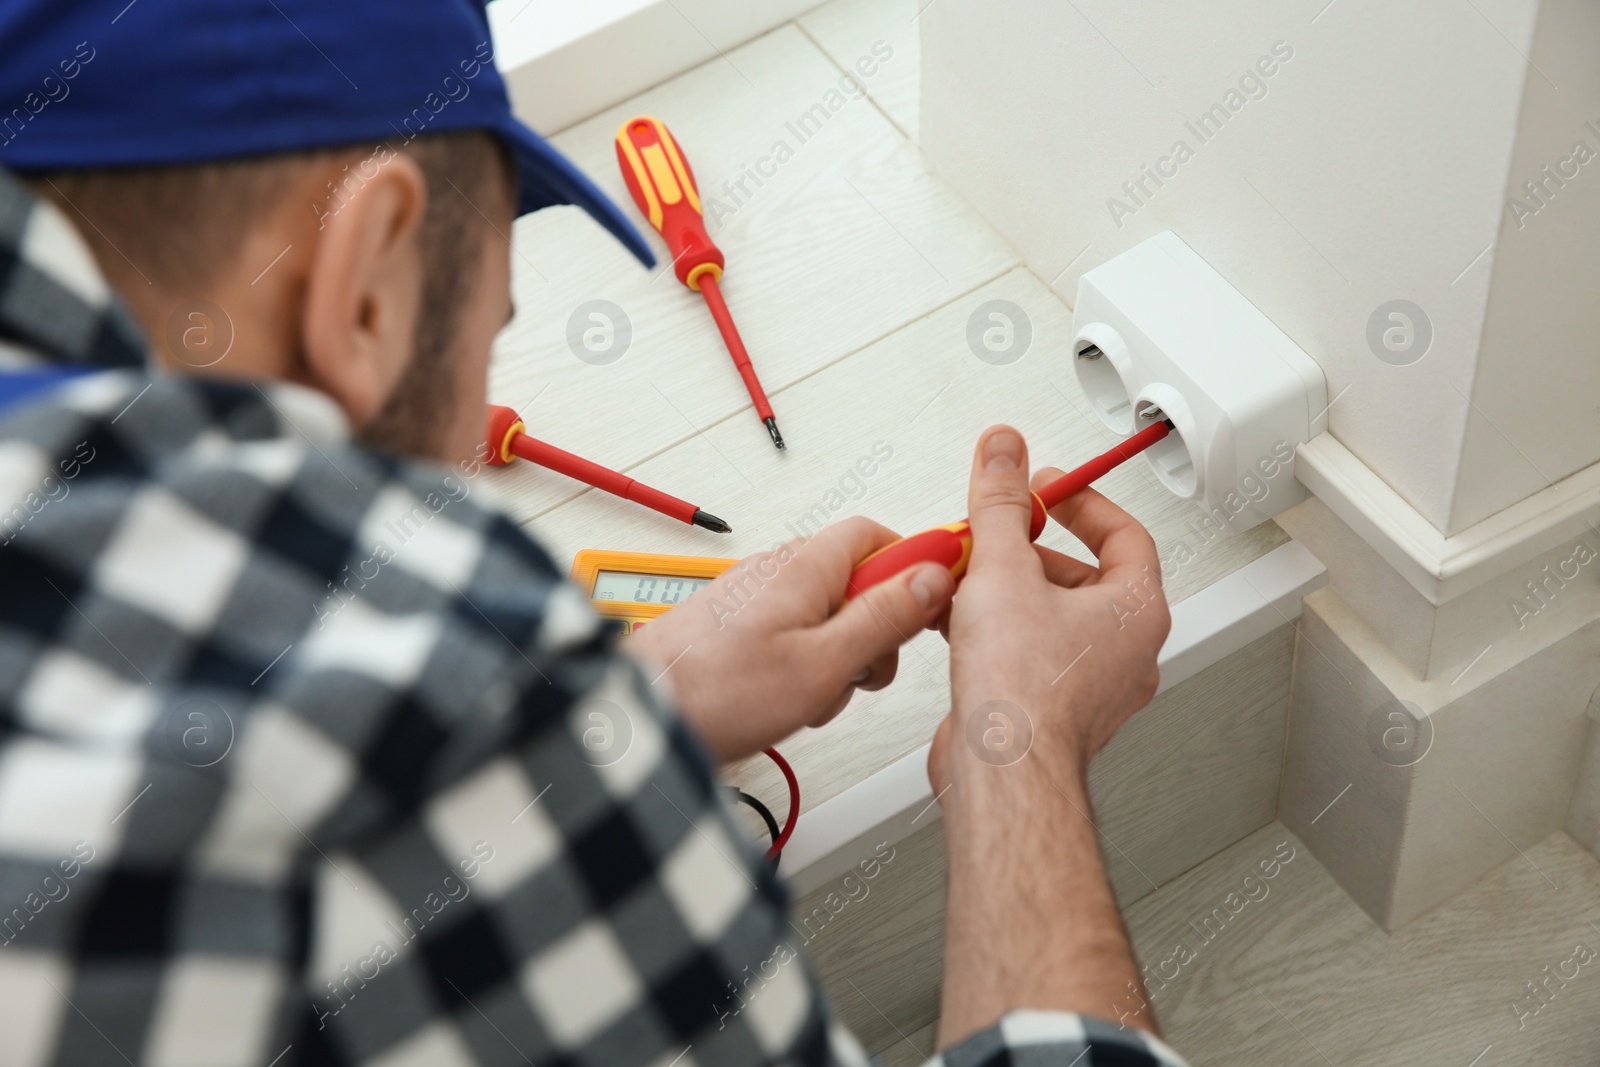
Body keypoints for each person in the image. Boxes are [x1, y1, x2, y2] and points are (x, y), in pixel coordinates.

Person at [0, 2, 1185, 1065]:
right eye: (491, 328)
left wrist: (626, 706)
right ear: (364, 290)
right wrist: (1021, 743)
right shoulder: (423, 685)